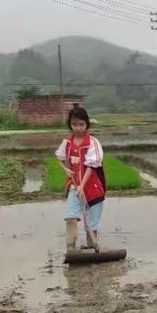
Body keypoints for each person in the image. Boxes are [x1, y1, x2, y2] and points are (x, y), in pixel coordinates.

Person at [55, 105, 105, 252]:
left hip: (92, 188)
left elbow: (92, 166)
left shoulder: (93, 143)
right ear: (70, 125)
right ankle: (71, 251)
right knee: (70, 218)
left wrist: (82, 186)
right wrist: (66, 169)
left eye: (81, 124)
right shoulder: (68, 143)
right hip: (74, 186)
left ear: (86, 124)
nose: (77, 128)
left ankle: (91, 246)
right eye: (74, 124)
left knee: (91, 224)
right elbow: (59, 157)